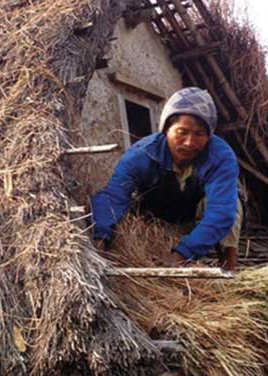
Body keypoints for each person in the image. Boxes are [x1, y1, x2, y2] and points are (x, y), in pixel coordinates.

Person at [90, 87, 241, 271]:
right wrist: (101, 239)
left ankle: (228, 270)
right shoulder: (142, 154)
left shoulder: (220, 157)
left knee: (234, 210)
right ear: (166, 129)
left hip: (196, 216)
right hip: (158, 213)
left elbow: (221, 214)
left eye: (199, 134)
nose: (189, 142)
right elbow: (113, 196)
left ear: (209, 135)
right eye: (182, 132)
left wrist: (181, 254)